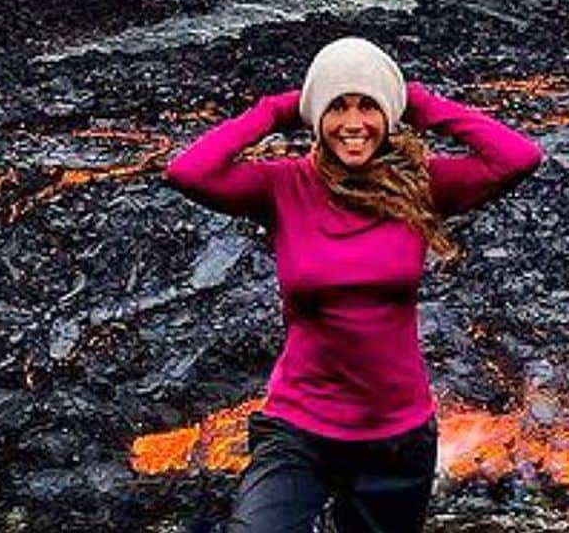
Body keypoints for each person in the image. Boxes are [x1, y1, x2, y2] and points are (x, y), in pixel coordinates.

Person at [164, 35, 545, 532]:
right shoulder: (282, 186)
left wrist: (419, 103)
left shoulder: (423, 186)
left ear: (388, 115)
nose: (353, 124)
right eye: (336, 107)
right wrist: (277, 110)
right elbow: (188, 171)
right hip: (298, 428)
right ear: (317, 117)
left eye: (368, 106)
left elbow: (518, 157)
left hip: (397, 438)